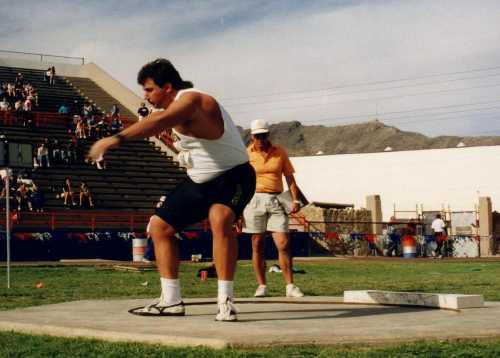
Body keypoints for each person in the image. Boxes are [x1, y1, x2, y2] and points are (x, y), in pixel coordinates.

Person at [89, 58, 256, 321]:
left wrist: (114, 139)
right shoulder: (169, 113)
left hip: (234, 175)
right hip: (200, 180)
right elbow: (189, 142)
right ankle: (171, 300)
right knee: (159, 227)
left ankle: (226, 301)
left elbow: (161, 120)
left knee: (220, 218)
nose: (145, 96)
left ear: (168, 87)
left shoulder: (194, 101)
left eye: (149, 89)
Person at [242, 119, 304, 298]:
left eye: (264, 135)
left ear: (268, 135)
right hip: (254, 200)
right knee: (257, 243)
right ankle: (262, 285)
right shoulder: (246, 155)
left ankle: (290, 285)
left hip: (276, 199)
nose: (261, 139)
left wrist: (296, 200)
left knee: (283, 243)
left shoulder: (280, 152)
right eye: (257, 136)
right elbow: (241, 180)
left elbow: (290, 178)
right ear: (252, 136)